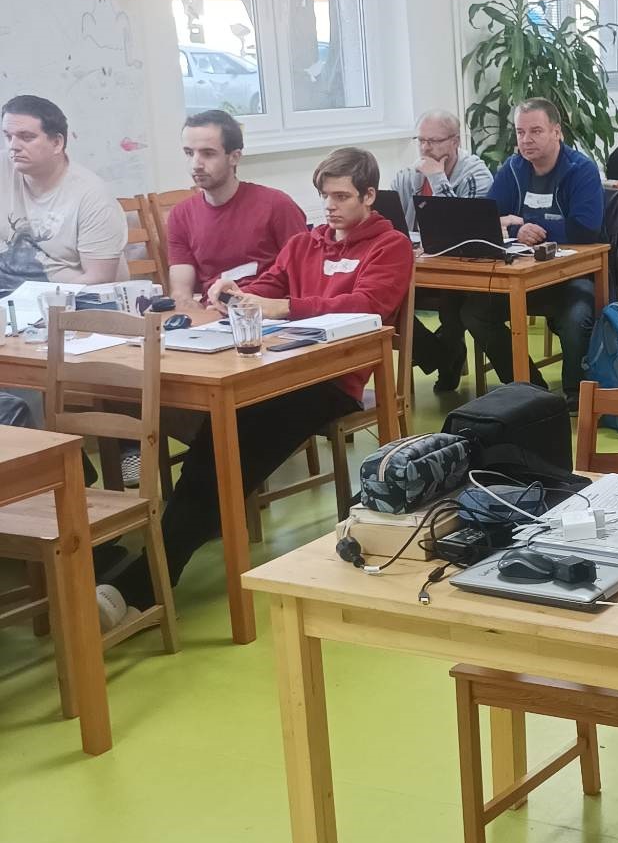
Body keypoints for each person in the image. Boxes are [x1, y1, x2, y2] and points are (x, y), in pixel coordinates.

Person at [102, 147, 414, 610]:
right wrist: (238, 293)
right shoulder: (305, 243)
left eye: (341, 197)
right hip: (278, 372)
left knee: (233, 447)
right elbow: (271, 284)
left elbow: (369, 304)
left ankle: (152, 575)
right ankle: (162, 561)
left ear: (369, 196)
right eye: (324, 197)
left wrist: (284, 307)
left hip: (334, 382)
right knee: (219, 439)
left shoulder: (390, 245)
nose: (329, 207)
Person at [479, 98, 603, 411]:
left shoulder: (581, 170)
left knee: (577, 316)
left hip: (571, 275)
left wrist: (529, 225)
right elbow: (488, 216)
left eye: (535, 131)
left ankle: (576, 393)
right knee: (474, 310)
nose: (526, 140)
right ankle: (530, 388)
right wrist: (515, 228)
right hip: (523, 276)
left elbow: (585, 229)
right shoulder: (513, 168)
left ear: (556, 132)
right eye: (520, 132)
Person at [389, 109, 494, 391]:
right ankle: (443, 354)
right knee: (387, 301)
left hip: (464, 270)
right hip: (420, 266)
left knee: (452, 301)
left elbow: (464, 230)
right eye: (421, 140)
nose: (425, 148)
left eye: (433, 141)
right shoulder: (407, 177)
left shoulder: (475, 174)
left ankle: (448, 355)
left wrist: (437, 178)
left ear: (455, 141)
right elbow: (392, 224)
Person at [166, 109, 308, 308]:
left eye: (208, 154)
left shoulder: (277, 205)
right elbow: (181, 293)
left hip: (268, 311)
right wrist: (194, 313)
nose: (196, 164)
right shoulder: (180, 215)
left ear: (234, 157)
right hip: (214, 313)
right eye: (189, 153)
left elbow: (304, 274)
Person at [0, 94, 127, 286]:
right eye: (8, 136)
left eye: (26, 137)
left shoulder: (92, 196)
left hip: (66, 298)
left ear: (57, 143)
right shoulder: (3, 167)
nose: (13, 146)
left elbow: (99, 279)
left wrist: (36, 300)